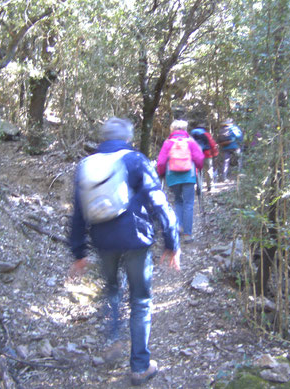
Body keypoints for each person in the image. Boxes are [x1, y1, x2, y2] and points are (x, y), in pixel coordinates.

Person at [68, 117, 181, 386]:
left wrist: (79, 252)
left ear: (103, 138)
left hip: (102, 241)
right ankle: (140, 367)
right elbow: (158, 200)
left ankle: (112, 338)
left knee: (111, 291)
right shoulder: (135, 160)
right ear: (128, 137)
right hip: (136, 240)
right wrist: (171, 241)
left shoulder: (86, 165)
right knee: (140, 300)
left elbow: (78, 212)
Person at [156, 119, 204, 243]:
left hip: (173, 176)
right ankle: (187, 234)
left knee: (178, 201)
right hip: (189, 176)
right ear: (185, 129)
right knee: (188, 204)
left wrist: (161, 173)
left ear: (172, 130)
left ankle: (178, 227)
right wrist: (199, 166)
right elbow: (199, 158)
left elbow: (161, 162)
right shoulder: (190, 142)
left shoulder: (168, 143)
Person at [190, 124, 219, 192]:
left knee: (196, 171)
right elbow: (212, 144)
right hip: (206, 154)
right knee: (208, 170)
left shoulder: (191, 134)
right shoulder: (206, 134)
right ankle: (210, 186)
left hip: (195, 155)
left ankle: (198, 186)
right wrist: (215, 153)